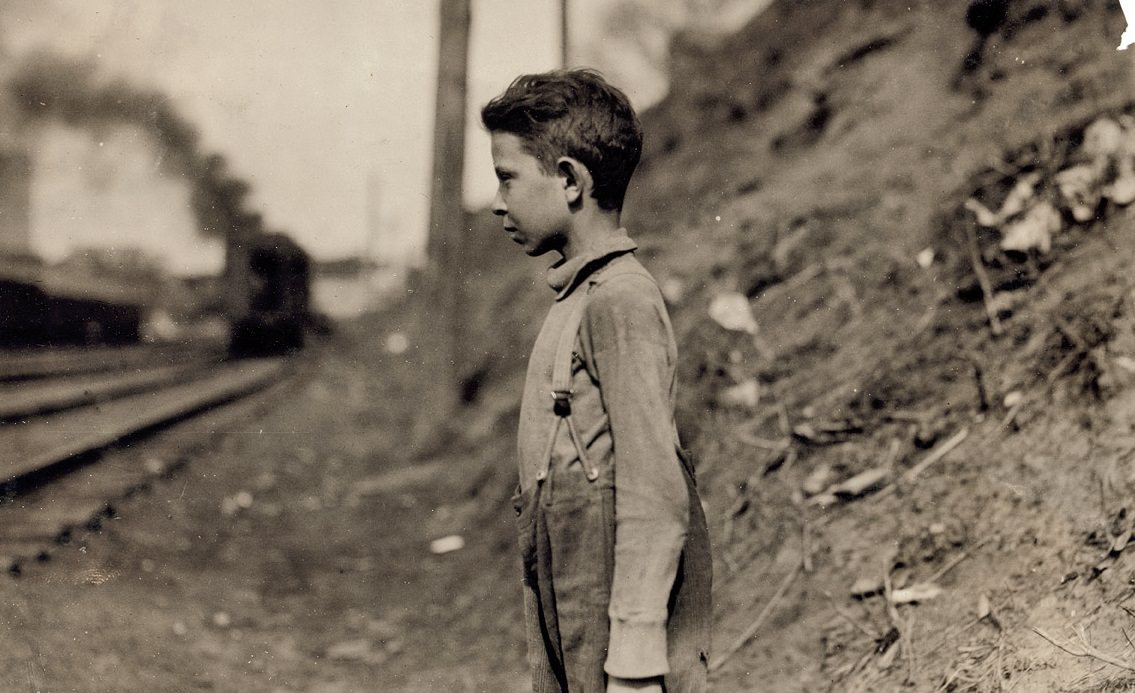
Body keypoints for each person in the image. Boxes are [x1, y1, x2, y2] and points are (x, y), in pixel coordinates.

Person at [481, 69, 712, 693]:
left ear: (569, 180)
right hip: (570, 588)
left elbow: (655, 487)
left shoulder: (621, 301)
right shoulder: (580, 297)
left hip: (614, 627)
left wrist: (635, 662)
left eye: (507, 177)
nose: (497, 201)